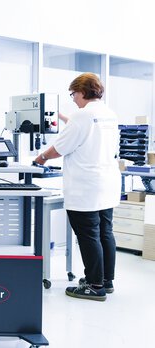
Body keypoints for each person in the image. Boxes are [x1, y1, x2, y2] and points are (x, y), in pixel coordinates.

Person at [34, 72, 120, 302]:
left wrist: (41, 158)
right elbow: (83, 128)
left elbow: (59, 148)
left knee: (88, 235)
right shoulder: (108, 113)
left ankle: (94, 285)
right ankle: (106, 280)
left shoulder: (83, 116)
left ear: (82, 92)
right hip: (107, 183)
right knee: (105, 233)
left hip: (86, 187)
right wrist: (60, 116)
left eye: (73, 94)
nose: (73, 99)